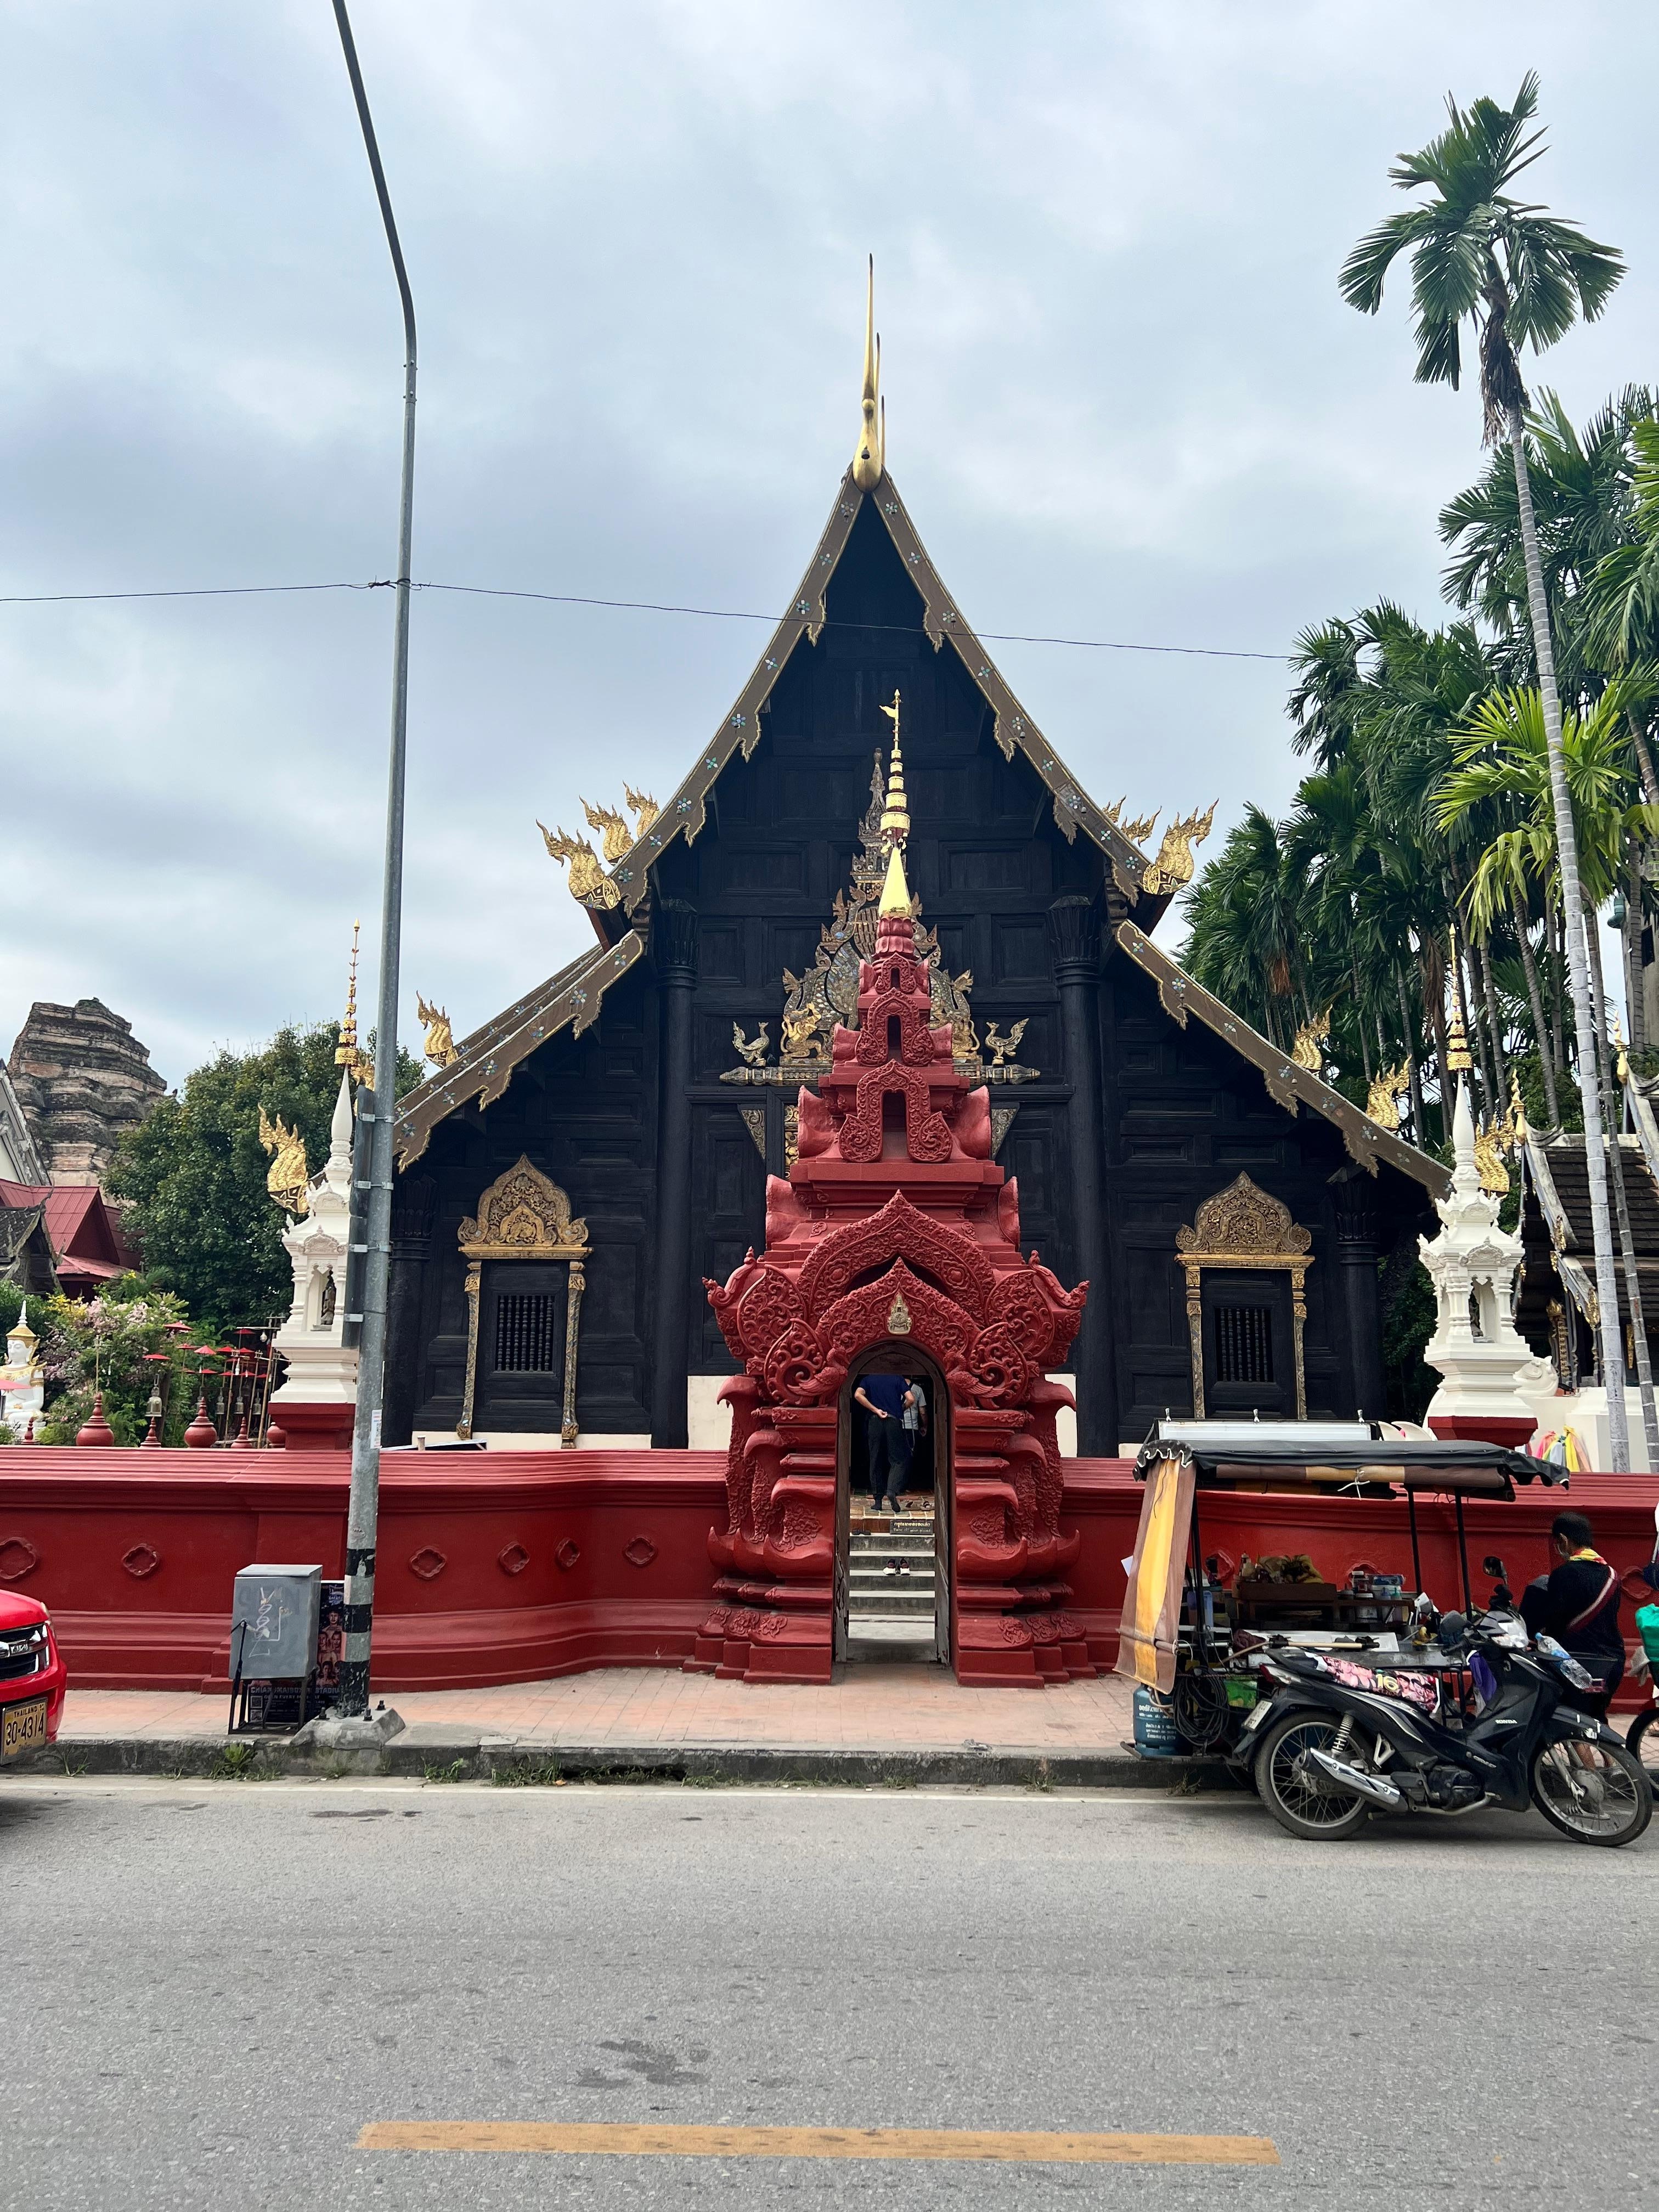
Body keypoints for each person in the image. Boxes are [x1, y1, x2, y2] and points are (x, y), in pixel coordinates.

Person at [1519, 1509, 1624, 1716]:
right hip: (1610, 1664)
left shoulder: (1564, 1574)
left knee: (1572, 1719)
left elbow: (1555, 1624)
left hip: (1578, 1664)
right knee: (1596, 1717)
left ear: (1564, 1540)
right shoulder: (1613, 1576)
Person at [854, 1373, 908, 1513]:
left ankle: (878, 1501)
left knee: (875, 1459)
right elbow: (911, 1399)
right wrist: (901, 1408)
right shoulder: (898, 1378)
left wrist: (876, 1410)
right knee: (898, 1460)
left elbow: (858, 1395)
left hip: (874, 1421)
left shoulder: (868, 1379)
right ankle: (891, 1491)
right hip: (893, 1421)